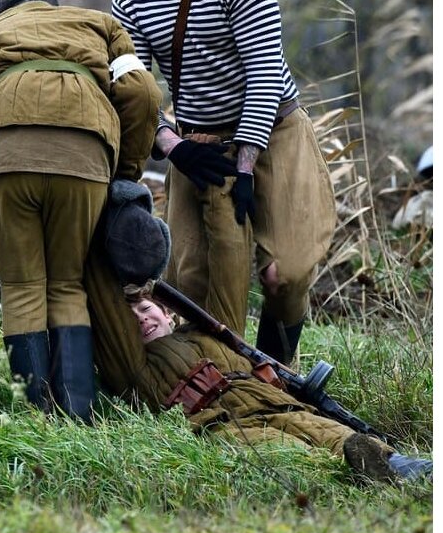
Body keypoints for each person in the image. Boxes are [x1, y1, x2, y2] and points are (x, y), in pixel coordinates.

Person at [110, 0, 336, 365]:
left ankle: (280, 375)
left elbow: (264, 72)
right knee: (190, 284)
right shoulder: (129, 0)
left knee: (286, 274)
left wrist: (248, 166)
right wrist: (173, 146)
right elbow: (135, 94)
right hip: (199, 145)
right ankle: (218, 381)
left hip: (274, 130)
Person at [0, 0, 161, 421]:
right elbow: (142, 93)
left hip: (5, 163)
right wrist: (125, 172)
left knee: (23, 287)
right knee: (66, 285)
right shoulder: (101, 25)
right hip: (82, 162)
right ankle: (77, 416)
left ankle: (32, 416)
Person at [82, 205, 430, 483]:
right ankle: (341, 473)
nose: (140, 318)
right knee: (284, 452)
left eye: (145, 308)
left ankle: (397, 466)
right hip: (224, 425)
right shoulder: (131, 364)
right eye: (130, 318)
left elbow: (228, 258)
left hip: (282, 406)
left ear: (169, 314)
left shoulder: (211, 331)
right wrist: (99, 212)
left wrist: (223, 194)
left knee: (334, 433)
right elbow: (103, 302)